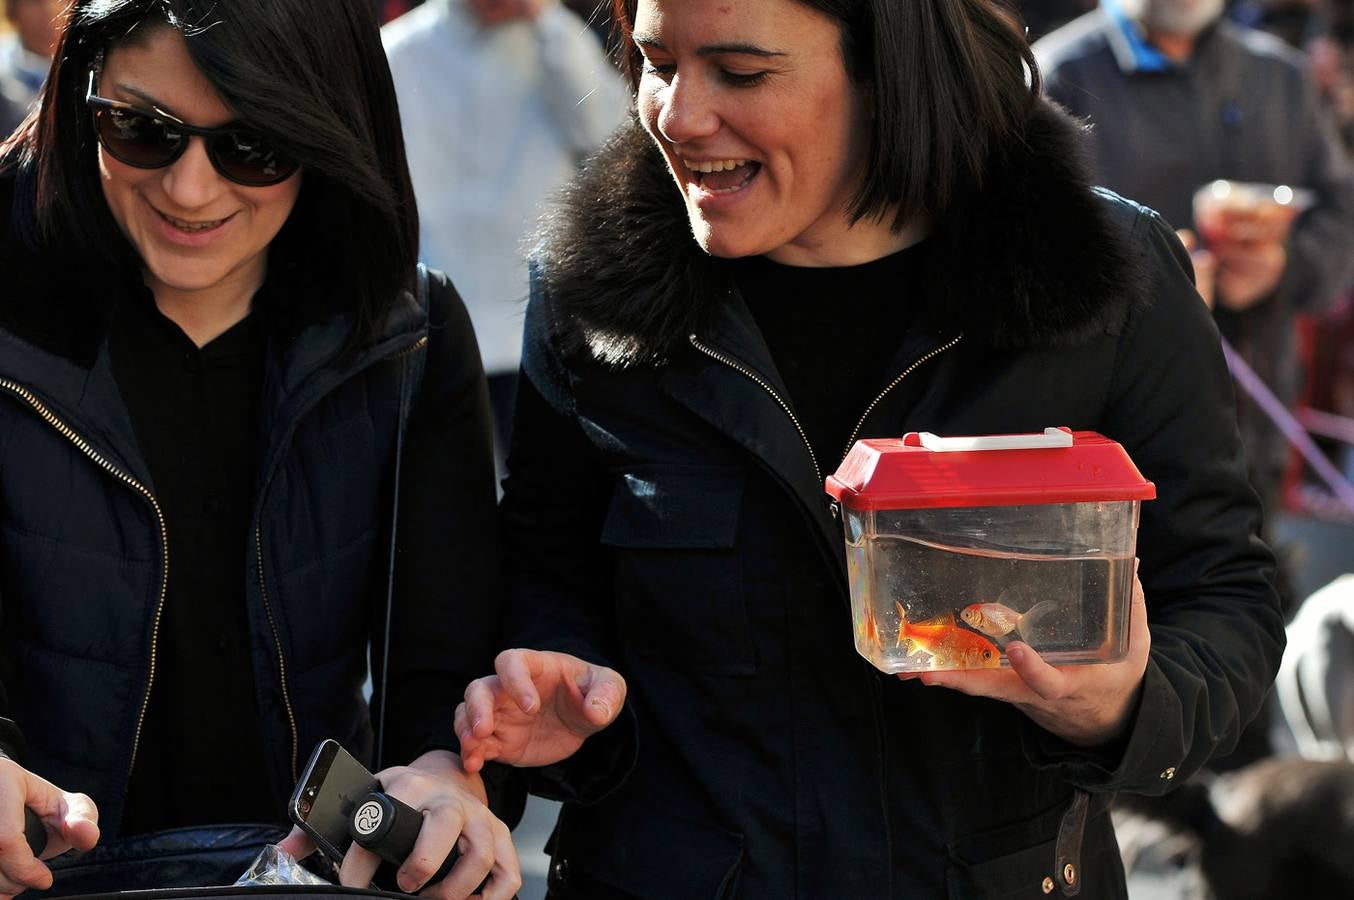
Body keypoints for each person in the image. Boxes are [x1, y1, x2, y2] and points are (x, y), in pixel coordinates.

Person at [451, 0, 1287, 896]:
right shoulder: (592, 294)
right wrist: (558, 690)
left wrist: (1120, 707)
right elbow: (545, 570)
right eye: (658, 62)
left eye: (740, 73)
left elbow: (1226, 599)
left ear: (893, 69)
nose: (679, 115)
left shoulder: (1104, 281)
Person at [0, 1, 521, 898]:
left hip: (310, 875)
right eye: (140, 130)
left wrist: (444, 777)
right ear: (78, 95)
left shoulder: (408, 336)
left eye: (255, 146)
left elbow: (441, 663)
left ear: (329, 131)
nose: (190, 189)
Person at [1034, 0, 1354, 544]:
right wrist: (1150, 287)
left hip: (1252, 425)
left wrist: (1282, 267)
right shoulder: (1058, 75)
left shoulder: (1278, 76)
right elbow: (1017, 256)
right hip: (1106, 446)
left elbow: (1340, 214)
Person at [383, 0, 627, 463]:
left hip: (542, 315)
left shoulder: (557, 41)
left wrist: (547, 21)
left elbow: (610, 138)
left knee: (547, 488)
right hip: (436, 320)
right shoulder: (398, 53)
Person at [0, 0, 62, 134]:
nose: (49, 11)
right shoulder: (4, 76)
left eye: (61, 1)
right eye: (35, 2)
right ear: (12, 10)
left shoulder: (100, 67)